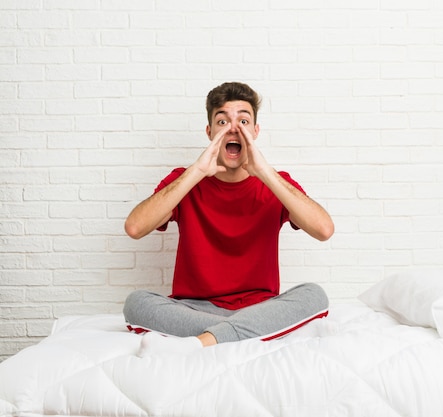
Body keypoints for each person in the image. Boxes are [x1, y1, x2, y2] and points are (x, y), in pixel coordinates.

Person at [122, 82, 334, 356]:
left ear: (255, 132)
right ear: (210, 132)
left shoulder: (277, 184)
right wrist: (198, 170)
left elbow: (324, 229)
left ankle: (202, 342)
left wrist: (265, 171)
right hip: (193, 309)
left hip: (260, 307)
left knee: (314, 295)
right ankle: (259, 331)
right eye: (222, 121)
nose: (233, 128)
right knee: (136, 303)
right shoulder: (184, 181)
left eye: (243, 121)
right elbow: (135, 227)